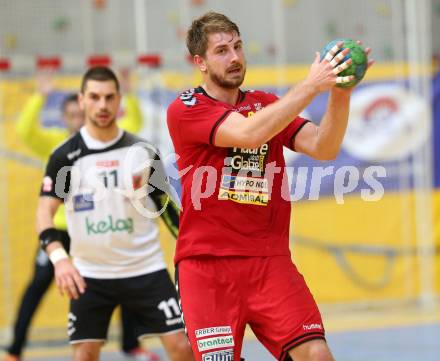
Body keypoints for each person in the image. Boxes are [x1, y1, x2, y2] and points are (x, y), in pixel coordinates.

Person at [166, 12, 373, 361]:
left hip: (269, 262)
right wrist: (311, 85)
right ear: (199, 62)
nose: (234, 57)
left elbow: (324, 146)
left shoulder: (265, 105)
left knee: (317, 355)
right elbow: (249, 134)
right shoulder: (186, 108)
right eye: (221, 51)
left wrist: (340, 90)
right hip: (208, 268)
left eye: (237, 46)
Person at [36, 66, 194, 361]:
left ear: (119, 100)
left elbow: (167, 209)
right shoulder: (64, 156)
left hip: (145, 267)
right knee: (85, 353)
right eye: (94, 97)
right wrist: (60, 260)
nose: (103, 105)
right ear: (82, 101)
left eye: (109, 97)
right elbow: (44, 212)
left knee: (182, 347)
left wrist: (191, 250)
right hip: (91, 274)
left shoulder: (142, 151)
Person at [4, 71, 160, 361]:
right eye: (72, 114)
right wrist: (40, 95)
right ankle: (14, 350)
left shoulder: (113, 142)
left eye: (80, 114)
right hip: (63, 231)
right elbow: (25, 131)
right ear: (67, 116)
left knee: (126, 278)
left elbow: (133, 125)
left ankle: (131, 344)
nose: (77, 118)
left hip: (99, 230)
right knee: (38, 284)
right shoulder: (57, 148)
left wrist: (130, 94)